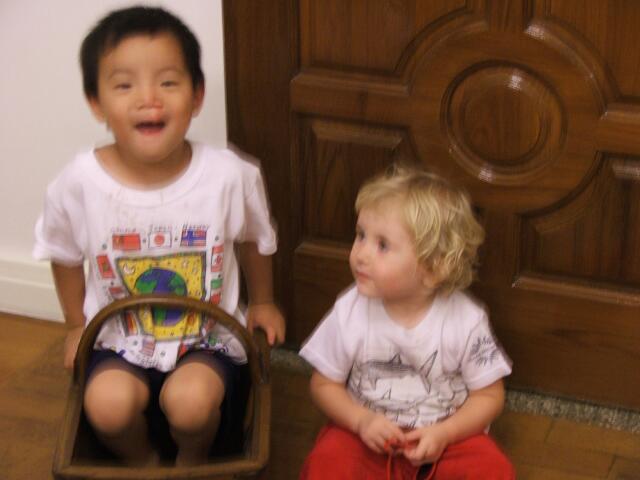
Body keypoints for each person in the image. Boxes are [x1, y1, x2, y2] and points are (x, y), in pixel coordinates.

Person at [33, 6, 284, 466]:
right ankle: (142, 460)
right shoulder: (79, 184)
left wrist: (263, 301)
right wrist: (74, 325)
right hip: (119, 337)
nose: (149, 99)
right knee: (106, 407)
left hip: (206, 338)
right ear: (96, 102)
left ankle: (193, 457)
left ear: (197, 96)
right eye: (124, 85)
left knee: (191, 405)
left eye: (168, 82)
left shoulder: (228, 176)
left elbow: (254, 237)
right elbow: (63, 253)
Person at [299, 165, 514, 479]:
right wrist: (361, 421)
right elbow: (323, 384)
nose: (360, 254)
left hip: (446, 437)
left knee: (493, 468)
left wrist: (445, 433)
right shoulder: (349, 310)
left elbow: (489, 396)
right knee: (327, 461)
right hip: (366, 434)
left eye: (382, 245)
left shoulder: (466, 320)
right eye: (360, 236)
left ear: (433, 268)